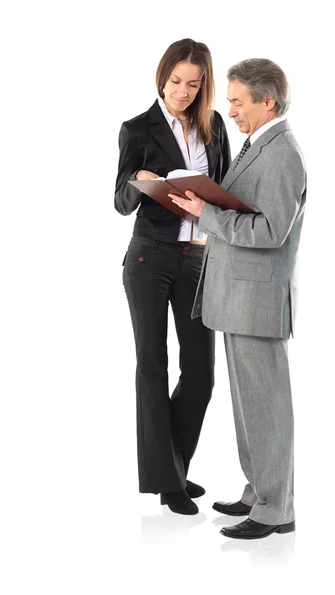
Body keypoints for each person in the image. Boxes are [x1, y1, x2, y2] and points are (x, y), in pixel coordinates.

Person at [170, 58, 306, 538]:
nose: (229, 110)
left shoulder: (283, 152)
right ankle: (259, 491)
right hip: (238, 299)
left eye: (237, 100)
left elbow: (271, 230)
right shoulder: (258, 146)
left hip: (258, 302)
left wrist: (207, 214)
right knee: (251, 406)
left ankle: (276, 509)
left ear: (267, 101)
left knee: (267, 406)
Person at [114, 39, 231, 515]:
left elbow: (220, 191)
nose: (182, 92)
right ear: (162, 77)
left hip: (198, 258)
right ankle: (168, 483)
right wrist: (138, 183)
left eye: (193, 83)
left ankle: (173, 469)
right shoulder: (137, 128)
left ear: (204, 85)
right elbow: (119, 203)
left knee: (201, 375)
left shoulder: (214, 126)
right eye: (175, 81)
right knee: (152, 367)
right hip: (149, 258)